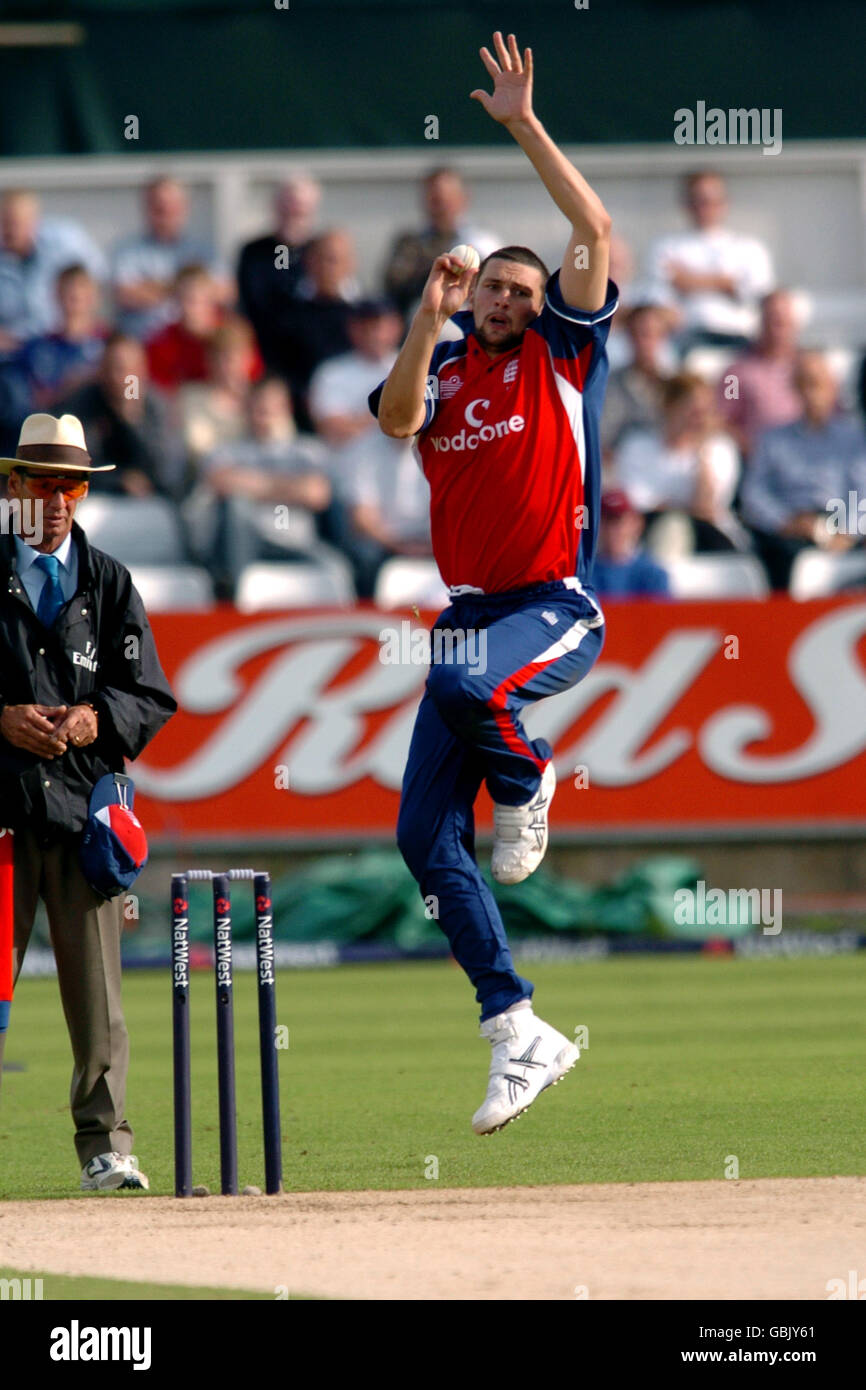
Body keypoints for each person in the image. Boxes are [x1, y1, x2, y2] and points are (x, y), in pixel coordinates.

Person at [370, 32, 616, 1136]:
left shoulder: (558, 354)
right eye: (495, 290)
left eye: (522, 287)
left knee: (472, 690)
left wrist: (520, 125)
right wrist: (430, 314)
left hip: (552, 603)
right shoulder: (449, 360)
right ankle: (516, 1027)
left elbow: (593, 229)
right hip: (467, 616)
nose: (510, 299)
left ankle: (529, 783)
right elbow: (391, 419)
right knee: (421, 840)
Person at [0, 412, 177, 1191]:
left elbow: (151, 695)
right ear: (13, 488)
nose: (61, 500)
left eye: (72, 485)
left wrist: (94, 717)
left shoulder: (107, 580)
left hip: (80, 817)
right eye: (45, 484)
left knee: (100, 1003)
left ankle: (106, 1147)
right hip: (3, 811)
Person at [740, 351, 866, 589]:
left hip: (838, 525)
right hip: (788, 532)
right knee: (777, 560)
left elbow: (862, 493)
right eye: (804, 384)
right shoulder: (772, 440)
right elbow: (753, 494)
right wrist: (784, 522)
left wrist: (847, 532)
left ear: (832, 387)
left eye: (817, 384)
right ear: (795, 389)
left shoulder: (854, 439)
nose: (811, 393)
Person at [611, 372, 745, 555]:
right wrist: (681, 510)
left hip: (710, 538)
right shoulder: (636, 447)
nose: (699, 419)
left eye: (705, 412)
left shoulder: (720, 450)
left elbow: (706, 509)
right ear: (669, 407)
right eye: (692, 411)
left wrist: (702, 451)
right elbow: (638, 508)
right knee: (671, 529)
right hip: (649, 535)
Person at [644, 171, 774, 355]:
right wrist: (725, 282)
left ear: (725, 203)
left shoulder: (750, 248)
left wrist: (688, 281)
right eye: (699, 200)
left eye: (713, 200)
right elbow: (658, 298)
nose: (706, 207)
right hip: (686, 340)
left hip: (740, 338)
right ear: (686, 204)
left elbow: (758, 294)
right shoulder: (666, 247)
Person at [57, 334, 185, 499]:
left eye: (130, 370)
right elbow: (74, 465)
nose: (121, 377)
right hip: (96, 498)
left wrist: (131, 421)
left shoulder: (158, 407)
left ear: (142, 371)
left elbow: (170, 470)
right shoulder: (84, 403)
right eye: (115, 368)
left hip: (153, 501)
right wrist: (118, 481)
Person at [111, 177, 230, 342]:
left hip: (196, 343)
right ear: (146, 207)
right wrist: (188, 287)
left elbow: (225, 292)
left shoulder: (204, 250)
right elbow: (124, 294)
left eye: (171, 206)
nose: (165, 213)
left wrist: (154, 287)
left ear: (184, 207)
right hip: (143, 343)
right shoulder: (127, 250)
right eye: (158, 207)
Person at [383, 167, 500, 320]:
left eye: (446, 199)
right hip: (419, 319)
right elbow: (394, 286)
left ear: (463, 198)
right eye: (434, 199)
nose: (440, 207)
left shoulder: (482, 242)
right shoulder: (410, 244)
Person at [0, 191, 106, 351]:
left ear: (34, 221)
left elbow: (98, 277)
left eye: (16, 223)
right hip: (12, 354)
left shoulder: (65, 243)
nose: (9, 231)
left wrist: (81, 324)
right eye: (4, 223)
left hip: (62, 345)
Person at [237, 174, 322, 373]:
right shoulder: (257, 252)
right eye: (288, 205)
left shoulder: (320, 251)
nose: (293, 212)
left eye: (300, 207)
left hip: (312, 353)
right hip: (267, 352)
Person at [716, 289, 803, 460]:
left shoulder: (812, 369)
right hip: (759, 463)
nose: (778, 328)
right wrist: (750, 448)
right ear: (760, 322)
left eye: (783, 321)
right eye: (772, 320)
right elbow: (723, 421)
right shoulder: (735, 374)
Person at [593, 490, 671, 598]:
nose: (612, 530)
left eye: (619, 521)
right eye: (606, 521)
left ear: (636, 524)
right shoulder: (583, 575)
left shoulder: (652, 575)